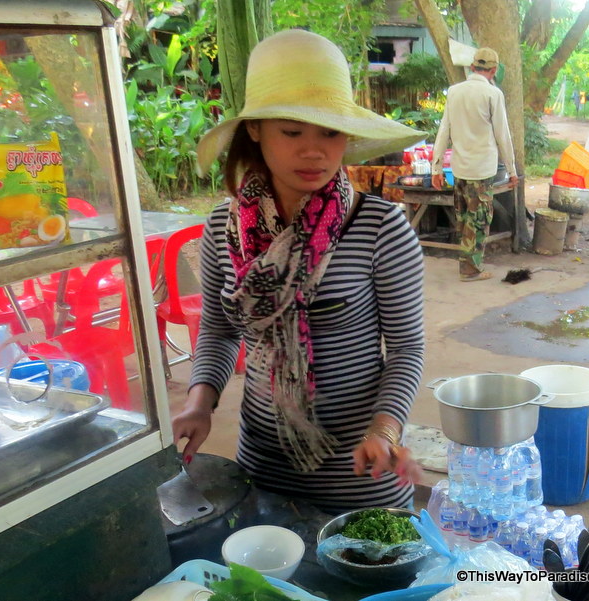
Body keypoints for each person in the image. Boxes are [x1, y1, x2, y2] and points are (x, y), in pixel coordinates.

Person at [172, 29, 427, 514]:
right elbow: (220, 331)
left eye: (330, 132)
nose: (314, 151)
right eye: (292, 132)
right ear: (255, 130)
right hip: (262, 467)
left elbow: (408, 348)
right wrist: (200, 403)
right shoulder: (224, 229)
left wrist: (385, 428)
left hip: (361, 473)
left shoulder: (380, 227)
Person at [431, 47, 519, 283]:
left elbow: (443, 131)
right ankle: (470, 269)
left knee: (464, 218)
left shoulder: (454, 91)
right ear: (493, 70)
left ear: (472, 67)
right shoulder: (493, 94)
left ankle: (468, 264)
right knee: (478, 220)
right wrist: (512, 170)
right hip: (482, 170)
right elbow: (503, 135)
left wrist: (436, 168)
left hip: (459, 168)